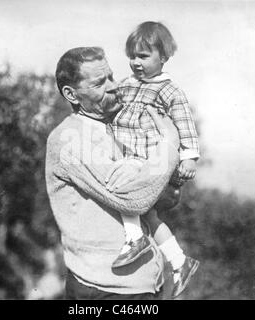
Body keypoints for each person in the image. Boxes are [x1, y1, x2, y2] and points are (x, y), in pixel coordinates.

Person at [46, 46, 181, 299]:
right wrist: (170, 144)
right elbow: (133, 199)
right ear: (71, 94)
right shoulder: (69, 139)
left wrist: (156, 186)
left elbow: (164, 194)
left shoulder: (115, 129)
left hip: (140, 286)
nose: (113, 86)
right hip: (105, 290)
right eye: (99, 83)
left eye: (111, 76)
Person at [108, 21, 200, 298]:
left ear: (163, 56)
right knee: (147, 213)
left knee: (124, 187)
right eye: (132, 56)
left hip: (148, 158)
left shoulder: (169, 91)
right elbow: (109, 106)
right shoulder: (126, 85)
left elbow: (185, 125)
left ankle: (135, 239)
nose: (136, 62)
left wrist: (189, 158)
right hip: (126, 153)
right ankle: (179, 261)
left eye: (144, 56)